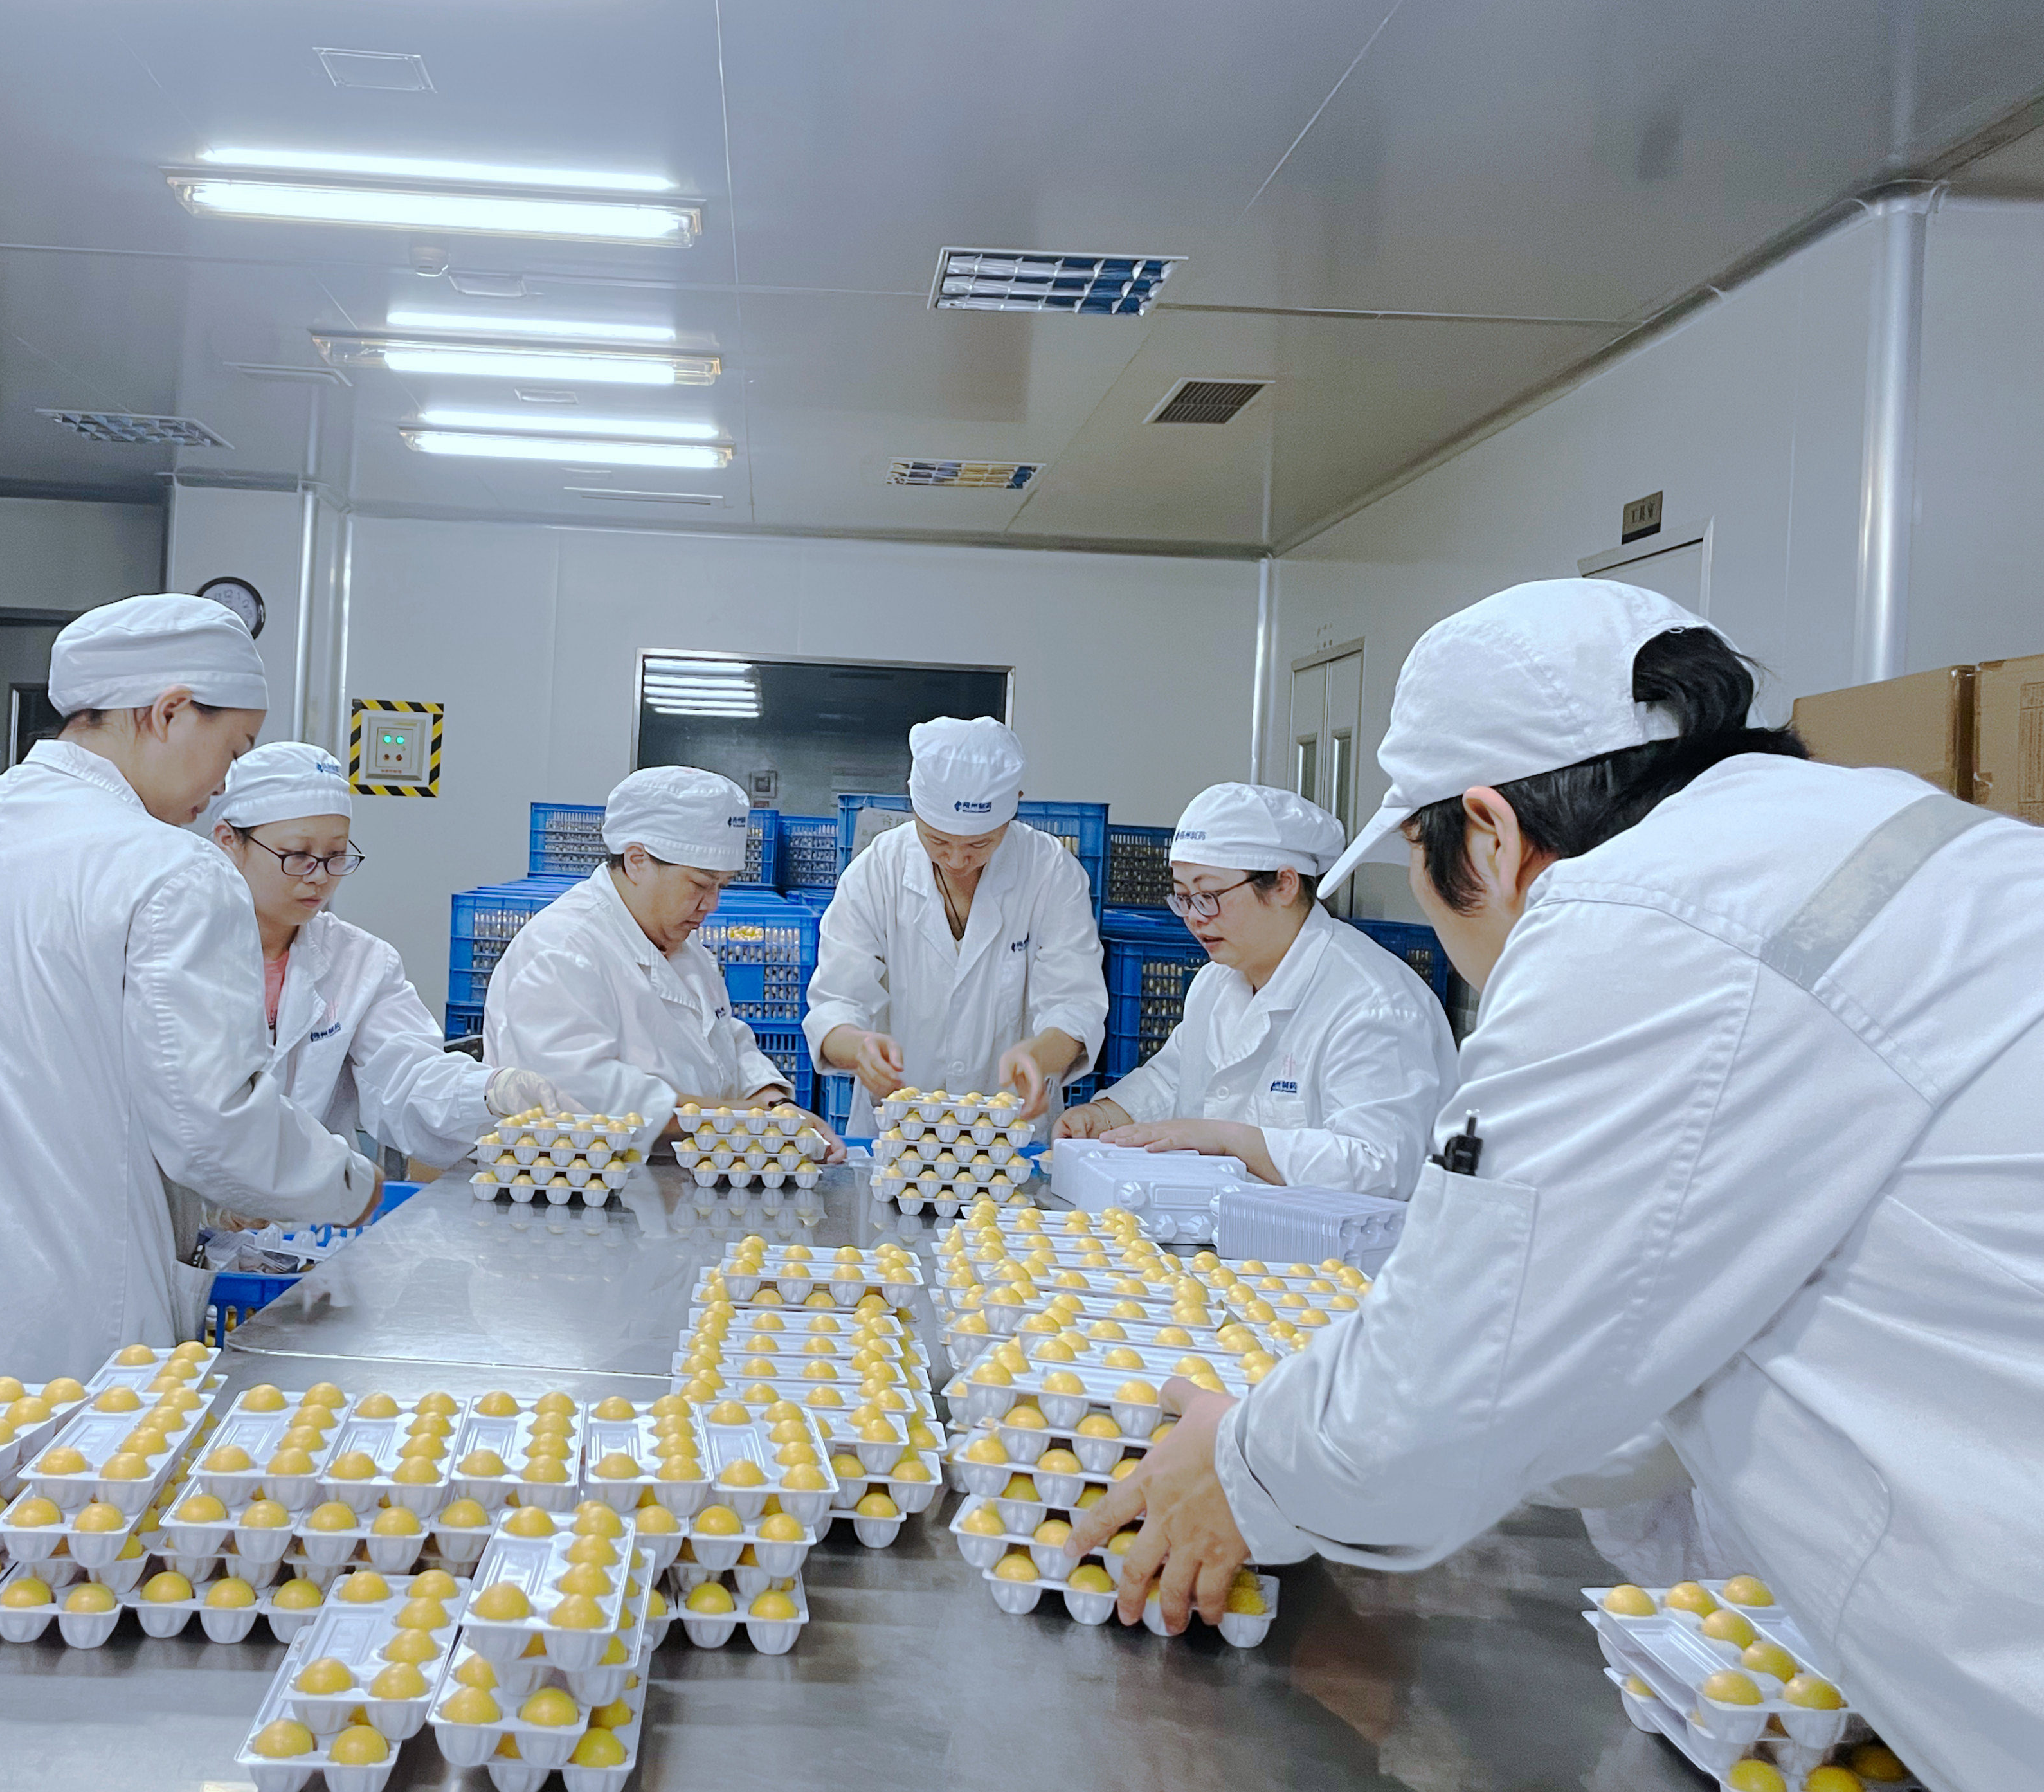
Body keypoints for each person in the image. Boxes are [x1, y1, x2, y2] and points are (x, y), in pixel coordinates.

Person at [1066, 581, 2044, 1792]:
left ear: (1485, 832)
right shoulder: (1888, 843)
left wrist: (1242, 1466)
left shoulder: (1641, 925)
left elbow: (1450, 1376)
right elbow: (1638, 1335)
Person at [0, 595, 381, 1463]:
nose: (223, 783)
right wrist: (348, 1184)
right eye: (232, 749)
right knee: (52, 1530)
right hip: (64, 1319)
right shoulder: (170, 868)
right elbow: (212, 1126)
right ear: (168, 712)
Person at [1053, 783, 1455, 1197]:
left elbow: (1380, 1166)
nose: (1194, 918)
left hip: (1337, 1239)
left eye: (1209, 896)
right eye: (1183, 897)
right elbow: (1173, 1080)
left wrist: (1229, 1141)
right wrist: (1106, 1117)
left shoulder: (1372, 1002)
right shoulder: (1217, 981)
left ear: (1284, 884)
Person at [204, 741, 570, 1179]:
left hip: (307, 1205)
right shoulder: (179, 948)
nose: (320, 876)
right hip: (185, 1205)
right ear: (229, 841)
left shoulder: (357, 961)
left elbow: (404, 1074)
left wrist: (489, 1091)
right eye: (298, 856)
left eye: (336, 856)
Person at [485, 767, 838, 1159]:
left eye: (722, 886)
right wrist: (743, 1117)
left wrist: (773, 1103)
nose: (712, 904)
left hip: (674, 1175)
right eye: (700, 885)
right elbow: (582, 1093)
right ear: (637, 860)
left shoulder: (681, 943)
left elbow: (725, 1040)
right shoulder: (561, 950)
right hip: (580, 1179)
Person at [804, 717, 1104, 1128]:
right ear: (914, 804)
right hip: (897, 1125)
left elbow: (1074, 1002)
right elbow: (837, 999)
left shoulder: (1050, 872)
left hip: (1011, 1124)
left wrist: (1041, 1055)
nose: (958, 860)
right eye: (938, 840)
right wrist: (858, 1047)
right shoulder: (877, 870)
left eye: (980, 843)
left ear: (1015, 805)